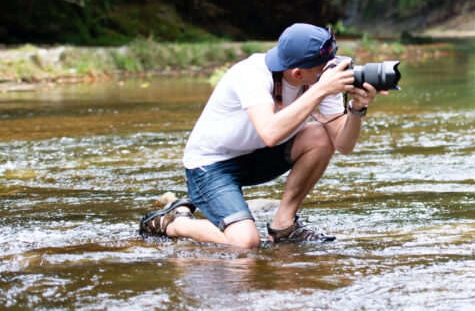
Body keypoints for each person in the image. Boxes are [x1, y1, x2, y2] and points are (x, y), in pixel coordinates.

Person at [138, 23, 381, 248]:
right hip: (211, 165)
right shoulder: (252, 74)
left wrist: (357, 109)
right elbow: (270, 133)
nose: (334, 67)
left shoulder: (322, 79)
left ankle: (283, 227)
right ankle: (175, 221)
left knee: (320, 135)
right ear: (297, 74)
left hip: (254, 156)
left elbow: (343, 144)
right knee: (245, 243)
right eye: (325, 65)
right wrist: (320, 89)